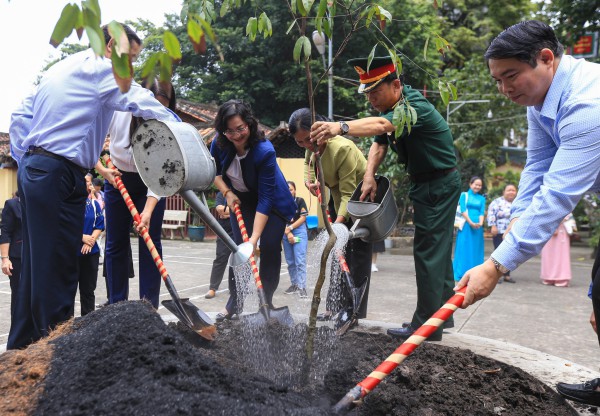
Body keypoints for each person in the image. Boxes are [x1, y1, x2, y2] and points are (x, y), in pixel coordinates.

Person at [449, 20, 600, 405]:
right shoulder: (541, 102)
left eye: (511, 76)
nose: (504, 89)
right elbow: (536, 167)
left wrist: (497, 265)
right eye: (497, 81)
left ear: (546, 59)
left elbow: (555, 197)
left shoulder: (588, 107)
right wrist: (516, 216)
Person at [7, 23, 180, 350]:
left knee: (34, 268)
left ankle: (20, 353)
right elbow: (140, 100)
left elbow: (19, 116)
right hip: (59, 173)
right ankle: (57, 358)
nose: (130, 67)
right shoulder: (102, 70)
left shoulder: (62, 68)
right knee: (58, 268)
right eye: (130, 56)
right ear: (111, 45)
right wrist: (181, 133)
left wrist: (27, 160)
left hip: (35, 170)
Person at [311, 56, 460, 341]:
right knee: (437, 253)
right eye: (367, 94)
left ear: (396, 85)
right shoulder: (396, 106)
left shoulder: (414, 108)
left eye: (375, 92)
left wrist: (340, 127)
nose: (371, 99)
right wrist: (369, 175)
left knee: (428, 253)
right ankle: (441, 316)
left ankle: (426, 325)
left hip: (438, 184)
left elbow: (381, 126)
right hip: (427, 183)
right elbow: (380, 143)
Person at [210, 99, 296, 321]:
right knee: (240, 251)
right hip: (244, 199)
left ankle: (265, 302)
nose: (236, 135)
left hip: (273, 201)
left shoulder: (264, 150)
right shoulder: (219, 143)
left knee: (267, 246)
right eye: (230, 131)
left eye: (240, 129)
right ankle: (234, 303)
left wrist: (254, 238)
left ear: (248, 123)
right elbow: (215, 174)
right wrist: (227, 193)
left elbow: (266, 198)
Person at [95, 79, 176, 309]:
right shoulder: (120, 108)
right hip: (117, 177)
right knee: (115, 242)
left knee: (150, 241)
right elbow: (93, 139)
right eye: (150, 107)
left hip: (152, 180)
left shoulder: (164, 122)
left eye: (161, 108)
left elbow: (163, 170)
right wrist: (103, 170)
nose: (153, 114)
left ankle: (148, 306)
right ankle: (116, 304)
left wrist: (148, 210)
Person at [290, 107, 371, 328]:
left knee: (355, 253)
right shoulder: (310, 146)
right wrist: (310, 182)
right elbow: (308, 165)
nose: (307, 145)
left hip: (361, 199)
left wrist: (338, 224)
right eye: (300, 142)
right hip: (337, 197)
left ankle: (353, 312)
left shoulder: (341, 148)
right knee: (336, 252)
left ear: (320, 130)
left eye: (309, 139)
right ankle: (334, 305)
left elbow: (348, 193)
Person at [74, 176, 105, 316]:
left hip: (91, 252)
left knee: (88, 291)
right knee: (69, 291)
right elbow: (64, 225)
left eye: (89, 181)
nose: (89, 184)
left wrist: (91, 240)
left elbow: (99, 224)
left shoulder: (94, 203)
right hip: (72, 252)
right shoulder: (69, 203)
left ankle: (87, 321)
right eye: (86, 181)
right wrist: (81, 237)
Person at [452, 176, 486, 283]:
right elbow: (463, 210)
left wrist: (480, 223)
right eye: (476, 184)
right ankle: (461, 273)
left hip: (477, 227)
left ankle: (475, 273)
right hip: (466, 225)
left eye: (479, 185)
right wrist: (470, 222)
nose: (477, 186)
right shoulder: (464, 195)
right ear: (470, 184)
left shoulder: (482, 198)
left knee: (476, 249)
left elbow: (481, 212)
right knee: (464, 248)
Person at [281, 181, 309, 298]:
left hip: (299, 231)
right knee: (290, 261)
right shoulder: (280, 203)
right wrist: (287, 232)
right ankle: (294, 284)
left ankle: (302, 287)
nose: (289, 191)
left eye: (291, 189)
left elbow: (303, 218)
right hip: (285, 231)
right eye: (287, 189)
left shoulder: (300, 201)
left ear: (295, 191)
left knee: (299, 260)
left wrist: (291, 228)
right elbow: (279, 219)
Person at [205, 191, 234, 299]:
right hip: (223, 231)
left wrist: (228, 212)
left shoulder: (240, 192)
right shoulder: (221, 194)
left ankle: (234, 289)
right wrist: (232, 211)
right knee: (220, 258)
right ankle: (212, 288)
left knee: (237, 261)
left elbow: (240, 211)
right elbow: (220, 209)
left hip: (238, 230)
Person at [486, 183, 518, 283]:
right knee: (499, 253)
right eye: (509, 190)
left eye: (513, 190)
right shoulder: (497, 202)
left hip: (513, 232)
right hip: (499, 231)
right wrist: (493, 226)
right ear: (504, 192)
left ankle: (507, 275)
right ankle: (497, 276)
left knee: (510, 253)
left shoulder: (518, 202)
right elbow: (491, 214)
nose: (511, 192)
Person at [0, 191, 22, 319]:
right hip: (18, 257)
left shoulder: (38, 203)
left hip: (37, 257)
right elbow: (5, 232)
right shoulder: (12, 204)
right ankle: (17, 334)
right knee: (19, 295)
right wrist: (5, 259)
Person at [540, 214, 575, 287]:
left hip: (560, 231)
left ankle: (561, 277)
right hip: (549, 230)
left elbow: (568, 216)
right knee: (548, 254)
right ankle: (549, 277)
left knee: (561, 255)